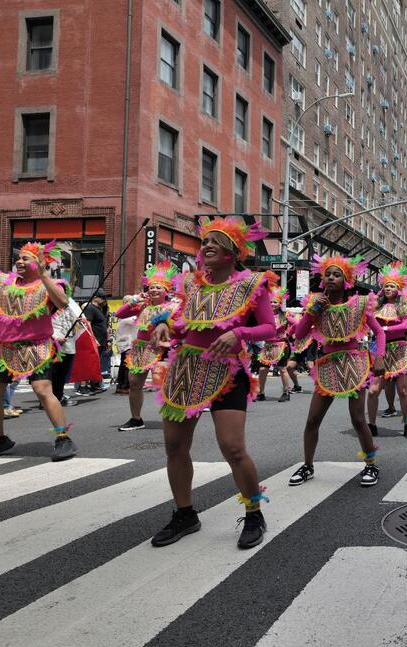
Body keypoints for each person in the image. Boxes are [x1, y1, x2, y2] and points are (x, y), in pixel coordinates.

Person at [149, 216, 274, 550]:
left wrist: (239, 332)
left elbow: (269, 329)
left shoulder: (253, 285)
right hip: (186, 370)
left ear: (232, 252)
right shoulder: (192, 284)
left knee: (233, 447)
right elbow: (184, 325)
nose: (206, 246)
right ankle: (185, 514)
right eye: (204, 242)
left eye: (214, 242)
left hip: (227, 371)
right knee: (175, 447)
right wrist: (164, 328)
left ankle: (253, 512)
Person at [287, 254, 386, 487]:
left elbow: (379, 332)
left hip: (354, 364)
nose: (331, 278)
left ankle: (371, 465)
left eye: (336, 274)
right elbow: (300, 334)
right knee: (312, 420)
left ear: (346, 280)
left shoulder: (360, 304)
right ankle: (308, 465)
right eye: (327, 274)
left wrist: (379, 358)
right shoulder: (315, 305)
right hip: (327, 365)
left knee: (358, 420)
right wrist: (312, 311)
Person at [0, 242, 78, 461]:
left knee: (42, 390)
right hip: (7, 349)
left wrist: (45, 275)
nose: (19, 261)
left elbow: (62, 302)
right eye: (19, 257)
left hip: (37, 348)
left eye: (26, 258)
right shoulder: (4, 283)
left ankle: (63, 438)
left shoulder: (52, 284)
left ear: (39, 263)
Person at [114, 261, 179, 431]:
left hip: (163, 349)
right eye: (151, 287)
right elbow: (119, 314)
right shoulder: (142, 305)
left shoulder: (173, 307)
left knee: (163, 384)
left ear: (166, 291)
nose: (154, 290)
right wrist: (135, 299)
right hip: (141, 349)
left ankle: (173, 416)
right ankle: (136, 419)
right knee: (134, 383)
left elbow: (181, 327)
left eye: (158, 287)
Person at [366, 262, 407, 439]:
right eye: (385, 285)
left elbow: (406, 326)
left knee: (403, 391)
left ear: (398, 289)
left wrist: (384, 330)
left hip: (401, 349)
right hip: (381, 350)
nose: (388, 288)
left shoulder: (403, 307)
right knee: (373, 391)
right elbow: (370, 325)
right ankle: (371, 425)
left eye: (391, 286)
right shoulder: (377, 307)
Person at [256, 284, 294, 402]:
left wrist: (288, 333)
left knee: (282, 369)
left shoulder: (285, 315)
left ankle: (286, 392)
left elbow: (297, 324)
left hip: (281, 345)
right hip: (268, 346)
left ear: (280, 304)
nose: (272, 304)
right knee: (262, 369)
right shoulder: (265, 315)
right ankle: (260, 393)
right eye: (271, 302)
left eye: (275, 302)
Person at [50, 296, 84, 406]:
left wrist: (78, 322)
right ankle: (49, 400)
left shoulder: (70, 309)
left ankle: (58, 397)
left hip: (69, 346)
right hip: (54, 347)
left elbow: (77, 326)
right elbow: (44, 327)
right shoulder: (50, 309)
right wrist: (55, 338)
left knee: (62, 375)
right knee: (54, 374)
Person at [81, 289, 110, 394]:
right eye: (102, 297)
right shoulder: (90, 308)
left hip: (101, 341)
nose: (103, 300)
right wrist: (93, 339)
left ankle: (94, 385)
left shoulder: (100, 309)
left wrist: (107, 340)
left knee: (96, 364)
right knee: (89, 363)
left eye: (104, 298)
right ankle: (82, 386)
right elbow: (87, 324)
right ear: (95, 297)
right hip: (94, 340)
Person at [114, 297, 137, 395]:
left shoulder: (127, 314)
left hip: (127, 343)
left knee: (124, 366)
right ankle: (125, 385)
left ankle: (121, 385)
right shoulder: (126, 315)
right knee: (127, 366)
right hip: (127, 344)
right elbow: (137, 320)